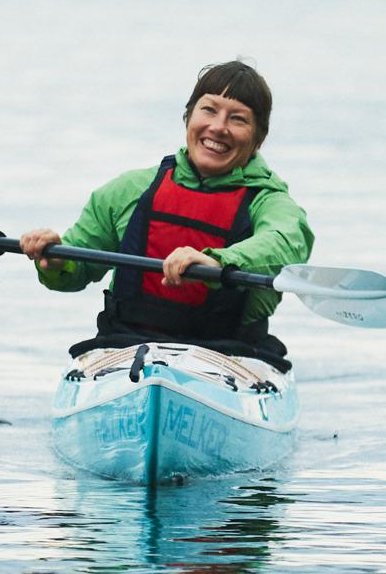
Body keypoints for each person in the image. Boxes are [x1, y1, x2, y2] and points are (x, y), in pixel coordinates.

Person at [17, 60, 312, 371]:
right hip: (124, 352)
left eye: (237, 119)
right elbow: (75, 270)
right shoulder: (129, 190)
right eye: (209, 110)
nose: (218, 127)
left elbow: (284, 244)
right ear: (189, 117)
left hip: (231, 359)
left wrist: (217, 261)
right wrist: (56, 259)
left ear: (258, 139)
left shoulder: (270, 203)